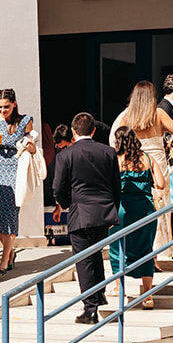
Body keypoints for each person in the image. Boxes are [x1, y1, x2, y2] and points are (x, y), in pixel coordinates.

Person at [51, 113, 121, 325]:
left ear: (73, 131)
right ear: (93, 130)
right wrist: (113, 209)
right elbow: (116, 185)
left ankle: (90, 309)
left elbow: (58, 187)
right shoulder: (108, 152)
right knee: (95, 254)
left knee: (84, 261)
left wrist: (66, 204)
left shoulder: (66, 155)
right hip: (104, 212)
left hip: (80, 212)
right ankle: (98, 295)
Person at [110, 80, 173, 249]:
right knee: (160, 206)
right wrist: (166, 129)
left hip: (137, 161)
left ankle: (139, 247)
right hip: (157, 163)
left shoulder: (127, 116)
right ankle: (158, 250)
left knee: (139, 205)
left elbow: (118, 138)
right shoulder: (159, 113)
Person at [108, 126, 165, 309]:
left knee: (117, 247)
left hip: (123, 209)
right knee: (145, 248)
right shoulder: (148, 158)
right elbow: (161, 184)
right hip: (145, 210)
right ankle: (147, 295)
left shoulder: (117, 160)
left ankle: (119, 287)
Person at [0, 88, 38, 273]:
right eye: (0, 107)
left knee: (10, 215)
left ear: (14, 104)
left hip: (16, 169)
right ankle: (10, 251)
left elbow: (33, 149)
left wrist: (28, 145)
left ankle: (4, 258)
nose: (2, 110)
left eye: (6, 106)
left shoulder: (25, 121)